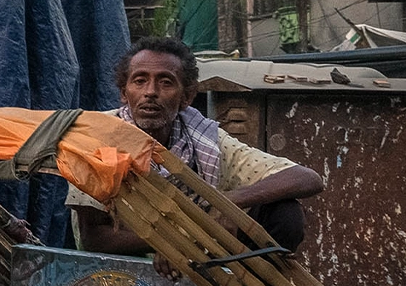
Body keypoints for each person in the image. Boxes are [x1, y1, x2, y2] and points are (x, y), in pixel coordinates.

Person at [71, 36, 326, 255]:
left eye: (166, 82)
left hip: (200, 255)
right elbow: (93, 238)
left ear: (187, 97)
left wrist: (225, 203)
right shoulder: (98, 136)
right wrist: (173, 244)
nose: (151, 92)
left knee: (286, 214)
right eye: (140, 81)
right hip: (130, 261)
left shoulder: (202, 137)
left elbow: (307, 178)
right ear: (124, 94)